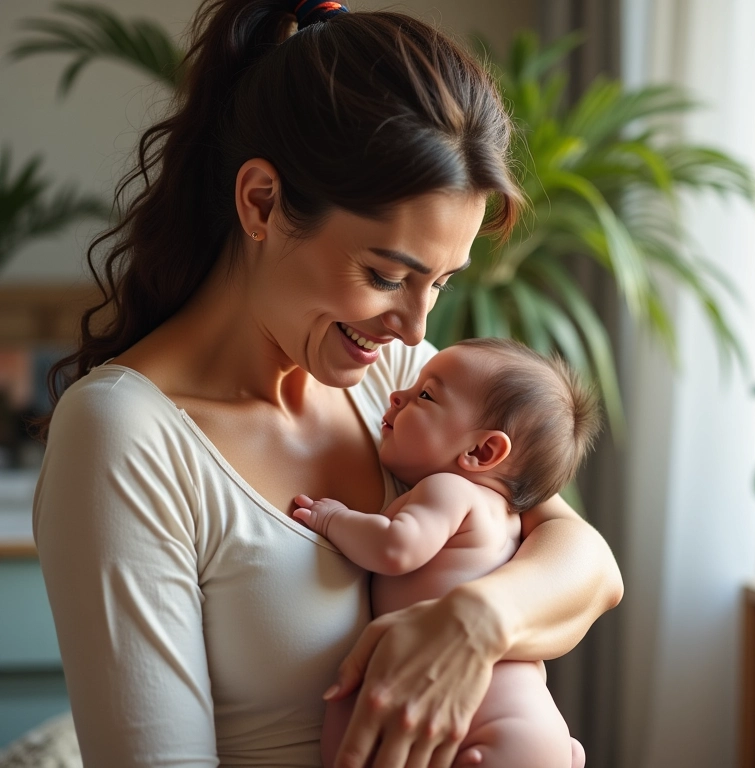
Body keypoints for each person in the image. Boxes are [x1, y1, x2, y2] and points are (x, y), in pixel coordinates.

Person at [32, 0, 623, 766]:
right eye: (386, 276)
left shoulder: (400, 382)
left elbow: (590, 567)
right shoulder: (125, 435)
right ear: (261, 203)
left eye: (440, 283)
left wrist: (474, 622)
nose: (413, 326)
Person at [293, 338, 600, 768]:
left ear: (480, 451)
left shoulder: (449, 489)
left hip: (479, 721)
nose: (396, 395)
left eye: (424, 395)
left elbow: (396, 547)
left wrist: (334, 519)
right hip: (531, 724)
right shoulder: (510, 518)